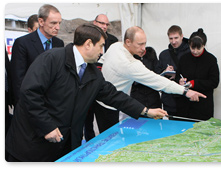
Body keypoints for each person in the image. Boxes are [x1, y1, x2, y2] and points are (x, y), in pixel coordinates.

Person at [5, 23, 168, 162]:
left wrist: (145, 111)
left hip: (64, 147)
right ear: (88, 44)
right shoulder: (51, 59)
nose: (102, 52)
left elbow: (113, 95)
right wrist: (47, 126)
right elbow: (29, 94)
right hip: (31, 146)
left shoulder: (93, 73)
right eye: (101, 46)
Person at [94, 26, 206, 133]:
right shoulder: (130, 64)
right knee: (111, 141)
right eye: (140, 44)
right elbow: (157, 81)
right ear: (128, 42)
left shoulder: (115, 46)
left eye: (145, 43)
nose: (144, 48)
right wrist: (185, 91)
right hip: (111, 107)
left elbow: (102, 60)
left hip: (103, 99)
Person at [11, 4, 64, 106]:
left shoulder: (59, 43)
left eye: (59, 23)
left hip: (52, 104)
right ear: (41, 22)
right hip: (29, 102)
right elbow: (18, 79)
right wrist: (22, 105)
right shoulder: (22, 43)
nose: (57, 27)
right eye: (53, 23)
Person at [83, 14, 119, 141]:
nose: (104, 26)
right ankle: (89, 143)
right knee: (87, 121)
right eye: (101, 23)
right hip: (87, 86)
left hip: (104, 87)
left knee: (106, 122)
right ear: (94, 23)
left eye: (107, 24)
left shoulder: (113, 41)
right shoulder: (85, 40)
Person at [175, 28, 220, 120]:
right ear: (189, 45)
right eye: (192, 48)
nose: (195, 51)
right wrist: (180, 81)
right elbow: (177, 77)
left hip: (203, 107)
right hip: (184, 106)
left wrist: (195, 83)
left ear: (204, 45)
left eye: (198, 48)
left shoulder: (211, 60)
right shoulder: (183, 59)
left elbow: (214, 82)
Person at [156, 25, 190, 118]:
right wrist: (165, 71)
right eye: (171, 38)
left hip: (186, 99)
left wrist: (178, 76)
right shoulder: (164, 55)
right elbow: (156, 75)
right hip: (169, 100)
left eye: (176, 38)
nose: (173, 41)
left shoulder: (190, 52)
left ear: (182, 36)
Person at [130, 46, 161, 116]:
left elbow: (157, 71)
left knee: (155, 122)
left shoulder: (151, 53)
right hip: (137, 96)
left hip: (153, 96)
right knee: (138, 122)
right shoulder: (131, 56)